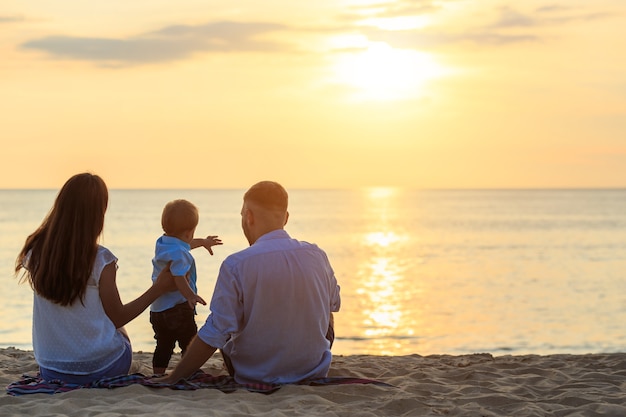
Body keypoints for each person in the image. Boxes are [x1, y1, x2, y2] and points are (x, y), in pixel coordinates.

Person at [156, 180, 341, 385]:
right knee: (325, 304)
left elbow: (216, 332)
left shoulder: (236, 264)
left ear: (249, 216)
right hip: (312, 369)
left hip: (254, 373)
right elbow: (334, 304)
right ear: (286, 218)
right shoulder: (317, 255)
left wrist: (175, 377)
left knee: (228, 320)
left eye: (243, 215)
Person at [14, 172, 176, 385]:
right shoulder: (101, 259)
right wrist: (158, 288)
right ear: (98, 214)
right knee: (119, 330)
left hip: (52, 367)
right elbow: (118, 317)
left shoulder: (35, 253)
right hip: (100, 367)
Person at [150, 199, 222, 375]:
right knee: (188, 340)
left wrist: (203, 242)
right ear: (190, 232)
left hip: (158, 309)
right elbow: (178, 277)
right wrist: (190, 295)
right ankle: (190, 370)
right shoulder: (181, 255)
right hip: (178, 308)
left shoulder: (164, 243)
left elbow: (186, 244)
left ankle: (158, 372)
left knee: (163, 344)